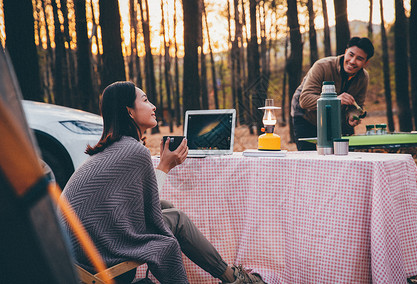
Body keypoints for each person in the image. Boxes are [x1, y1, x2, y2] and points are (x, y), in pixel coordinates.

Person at [59, 81, 265, 284]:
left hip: (76, 251)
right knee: (176, 219)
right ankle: (233, 279)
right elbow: (146, 206)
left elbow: (139, 204)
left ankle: (230, 276)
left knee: (166, 208)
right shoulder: (133, 151)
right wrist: (165, 165)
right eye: (146, 100)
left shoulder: (113, 148)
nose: (154, 106)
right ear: (130, 112)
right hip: (96, 255)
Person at [290, 36, 374, 151]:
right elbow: (304, 100)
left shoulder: (363, 78)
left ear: (366, 62)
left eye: (359, 59)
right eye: (351, 55)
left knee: (346, 155)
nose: (352, 61)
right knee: (309, 158)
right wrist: (335, 101)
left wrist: (352, 115)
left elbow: (357, 104)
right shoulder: (322, 66)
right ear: (345, 52)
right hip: (306, 116)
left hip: (336, 120)